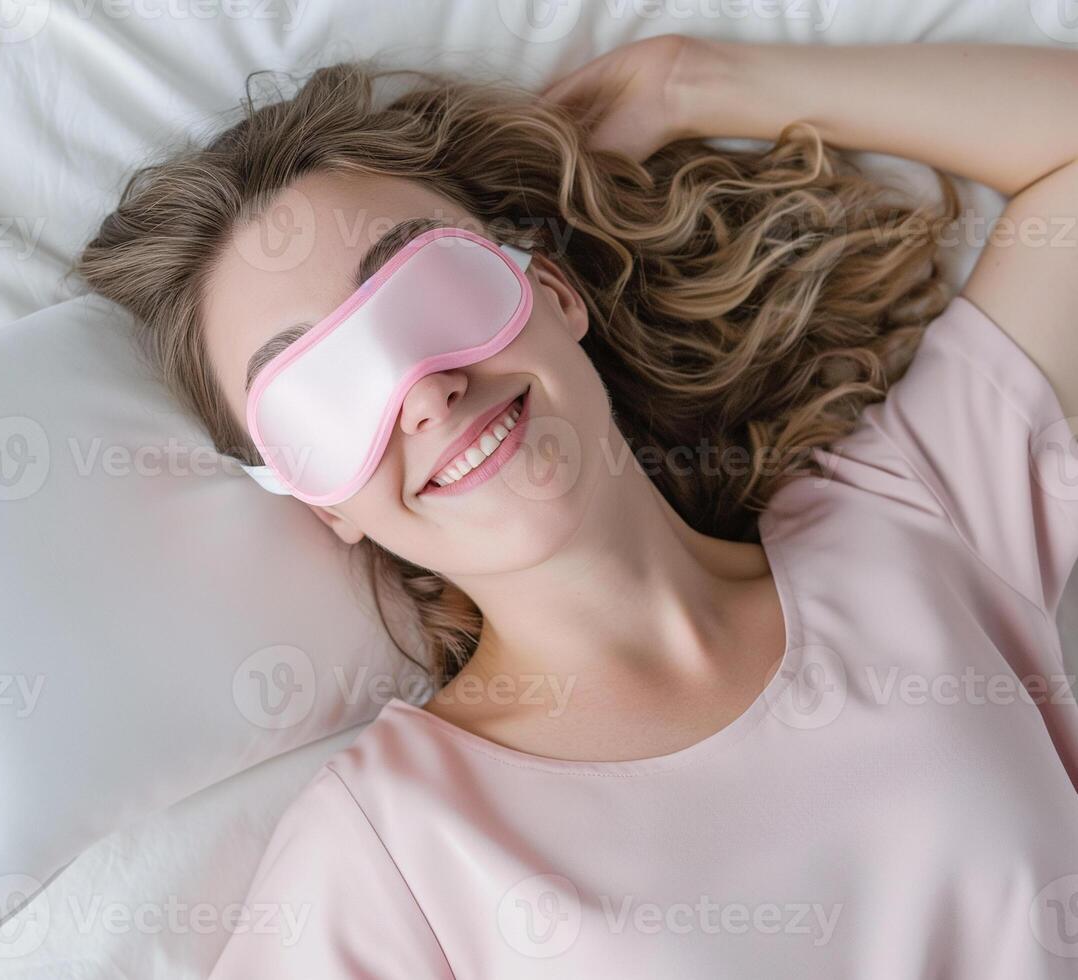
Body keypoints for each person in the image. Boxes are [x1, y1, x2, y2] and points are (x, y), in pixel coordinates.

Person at [79, 35, 1078, 976]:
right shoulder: (394, 848)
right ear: (319, 499)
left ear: (549, 290)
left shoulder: (917, 521)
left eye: (424, 288)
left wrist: (697, 81)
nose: (424, 390)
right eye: (322, 391)